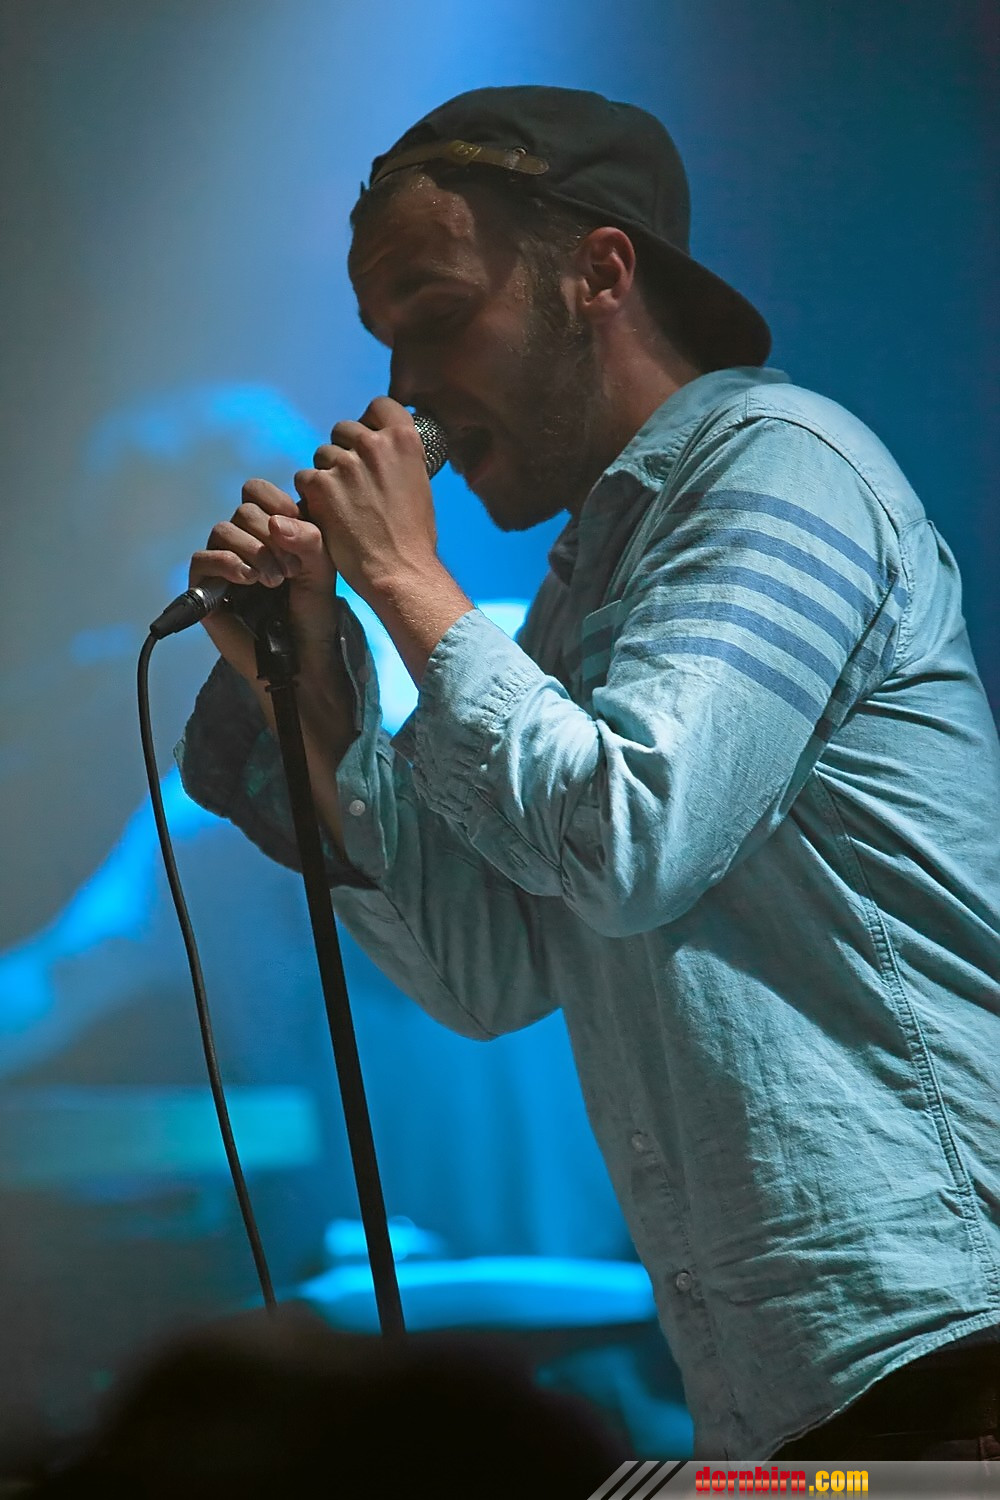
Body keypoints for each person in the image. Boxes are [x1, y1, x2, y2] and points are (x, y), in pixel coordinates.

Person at [177, 86, 1000, 1458]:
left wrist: (405, 576)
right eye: (384, 342)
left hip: (952, 1355)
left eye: (438, 315)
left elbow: (629, 840)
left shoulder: (783, 467)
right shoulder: (582, 587)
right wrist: (314, 692)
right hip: (789, 1393)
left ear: (599, 274)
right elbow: (489, 972)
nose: (403, 390)